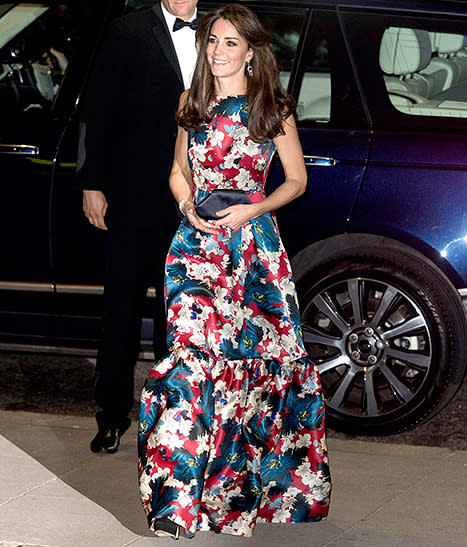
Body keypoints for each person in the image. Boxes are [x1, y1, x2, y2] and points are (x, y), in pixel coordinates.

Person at [138, 3, 331, 540]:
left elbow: (296, 182)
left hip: (252, 251)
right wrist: (187, 206)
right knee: (188, 366)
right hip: (194, 247)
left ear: (250, 52)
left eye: (229, 43)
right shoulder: (190, 102)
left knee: (247, 370)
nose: (217, 51)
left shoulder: (272, 107)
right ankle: (175, 505)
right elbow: (178, 171)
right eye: (212, 41)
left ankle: (231, 499)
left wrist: (253, 208)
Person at [76, 0, 199, 454]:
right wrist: (92, 183)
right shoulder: (128, 29)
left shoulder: (221, 30)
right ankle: (111, 416)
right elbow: (98, 108)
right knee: (121, 312)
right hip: (133, 197)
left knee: (181, 316)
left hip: (196, 200)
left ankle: (173, 423)